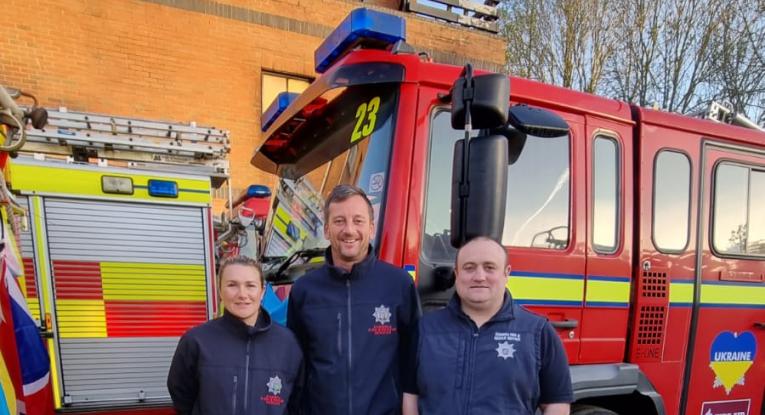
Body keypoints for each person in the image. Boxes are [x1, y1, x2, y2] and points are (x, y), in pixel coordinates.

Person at [287, 184, 421, 415]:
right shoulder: (304, 290)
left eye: (358, 221)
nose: (349, 230)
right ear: (327, 230)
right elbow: (296, 366)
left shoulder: (398, 284)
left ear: (371, 228)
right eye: (339, 221)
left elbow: (414, 357)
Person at [402, 236, 573, 415]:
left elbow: (556, 403)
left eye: (489, 267)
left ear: (506, 273)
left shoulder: (538, 332)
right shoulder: (425, 329)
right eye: (469, 268)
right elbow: (411, 396)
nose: (479, 277)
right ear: (457, 273)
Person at [167, 256, 303, 415]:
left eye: (250, 286)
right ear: (219, 291)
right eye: (232, 285)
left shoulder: (288, 344)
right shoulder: (196, 341)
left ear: (262, 291)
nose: (242, 294)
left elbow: (297, 401)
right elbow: (182, 397)